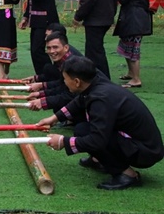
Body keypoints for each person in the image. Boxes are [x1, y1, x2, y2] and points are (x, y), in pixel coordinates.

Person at [39, 56, 164, 190]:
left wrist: (63, 141)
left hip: (146, 152)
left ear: (77, 82)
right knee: (82, 129)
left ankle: (128, 175)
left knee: (90, 136)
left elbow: (97, 140)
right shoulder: (95, 83)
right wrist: (54, 118)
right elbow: (79, 101)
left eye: (65, 78)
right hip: (142, 143)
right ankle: (99, 160)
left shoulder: (100, 99)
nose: (64, 82)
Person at [113, 0, 152, 88]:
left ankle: (136, 79)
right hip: (138, 22)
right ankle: (131, 73)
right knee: (128, 49)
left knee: (133, 51)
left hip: (133, 22)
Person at [26, 32, 79, 113]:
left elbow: (69, 95)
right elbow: (62, 85)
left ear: (66, 47)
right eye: (49, 48)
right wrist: (40, 92)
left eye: (55, 47)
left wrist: (43, 102)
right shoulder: (64, 60)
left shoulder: (73, 65)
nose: (51, 51)